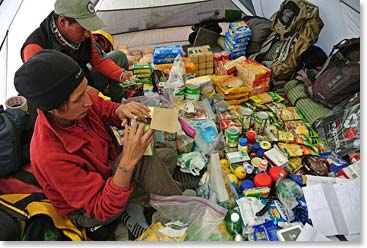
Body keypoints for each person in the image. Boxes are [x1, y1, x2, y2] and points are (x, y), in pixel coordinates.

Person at [14, 49, 182, 240]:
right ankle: (180, 209)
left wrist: (122, 110)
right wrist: (128, 161)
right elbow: (100, 207)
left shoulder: (80, 101)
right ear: (53, 109)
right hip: (91, 211)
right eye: (78, 99)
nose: (89, 101)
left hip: (109, 173)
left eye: (85, 90)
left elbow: (106, 109)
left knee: (167, 155)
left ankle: (135, 202)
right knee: (144, 160)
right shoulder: (49, 155)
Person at [21, 0, 132, 102]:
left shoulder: (84, 35)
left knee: (119, 57)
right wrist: (98, 98)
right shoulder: (34, 48)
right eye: (83, 28)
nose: (88, 34)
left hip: (84, 80)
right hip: (64, 97)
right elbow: (53, 91)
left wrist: (121, 74)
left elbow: (99, 61)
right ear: (63, 21)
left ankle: (116, 102)